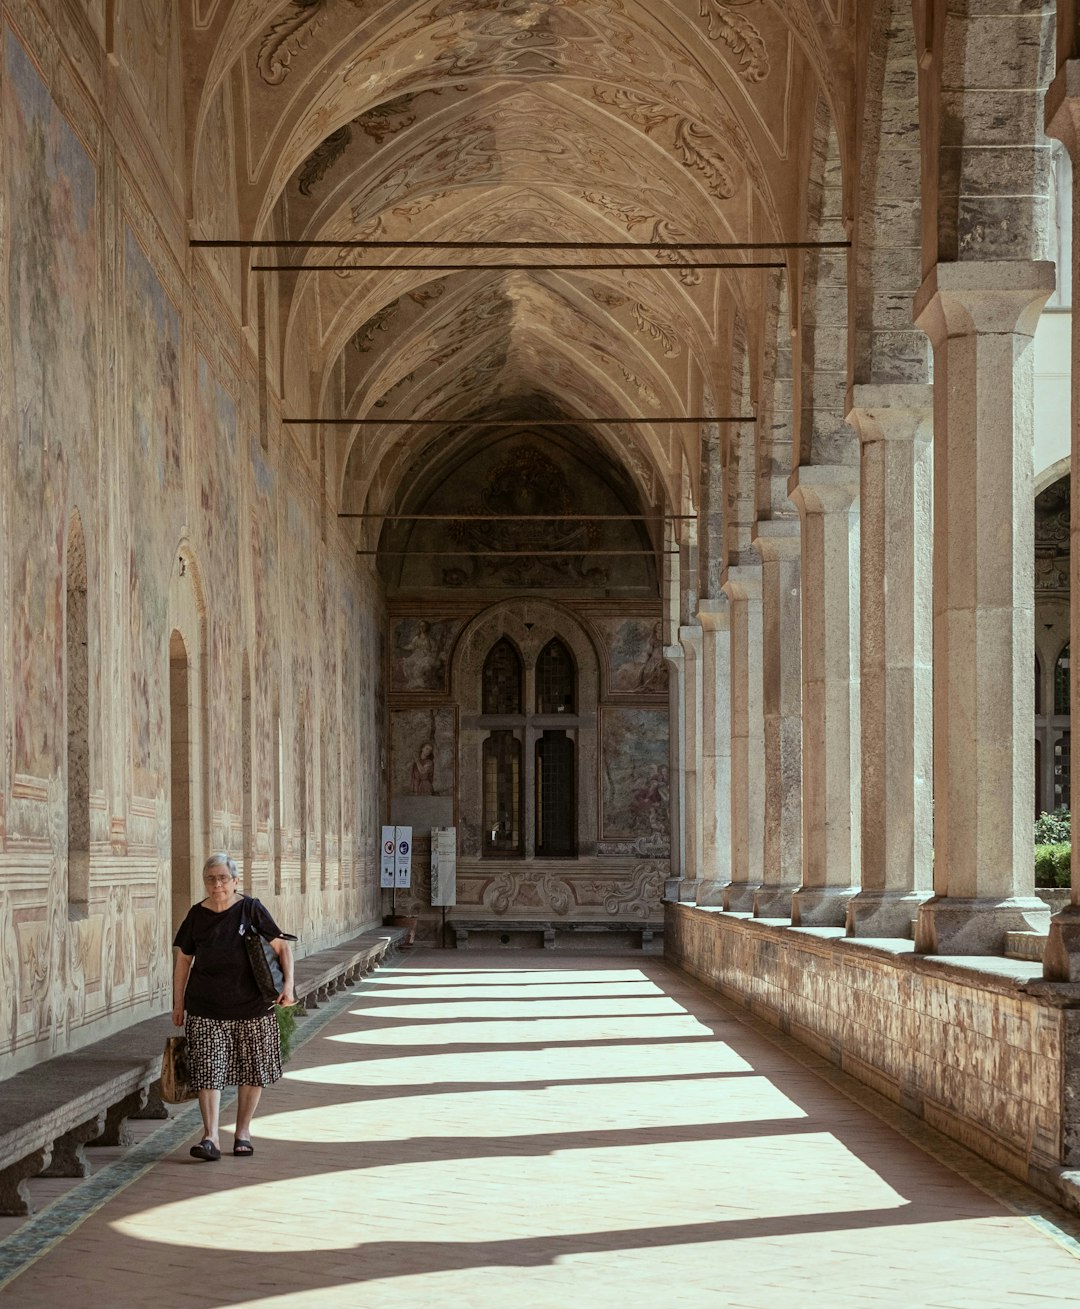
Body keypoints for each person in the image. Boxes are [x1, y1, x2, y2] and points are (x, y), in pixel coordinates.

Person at [172, 852, 294, 1161]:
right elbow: (184, 960)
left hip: (254, 1006)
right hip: (205, 1007)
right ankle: (210, 1136)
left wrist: (289, 987)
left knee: (253, 1070)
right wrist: (178, 1003)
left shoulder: (251, 909)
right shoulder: (196, 915)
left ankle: (242, 1133)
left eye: (223, 878)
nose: (217, 885)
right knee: (207, 1070)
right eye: (210, 879)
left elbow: (282, 947)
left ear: (236, 881)